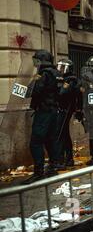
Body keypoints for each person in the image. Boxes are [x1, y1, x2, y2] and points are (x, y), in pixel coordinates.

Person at [22, 50, 61, 184]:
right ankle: (53, 168)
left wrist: (22, 89)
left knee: (36, 142)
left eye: (36, 60)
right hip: (54, 111)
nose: (34, 62)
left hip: (44, 111)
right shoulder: (56, 73)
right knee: (50, 140)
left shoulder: (43, 74)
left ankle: (38, 172)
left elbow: (33, 91)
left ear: (40, 61)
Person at [55, 59, 82, 169]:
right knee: (63, 134)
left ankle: (62, 159)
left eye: (63, 67)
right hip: (58, 109)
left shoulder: (71, 80)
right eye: (60, 67)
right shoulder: (59, 79)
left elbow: (62, 93)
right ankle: (67, 158)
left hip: (65, 110)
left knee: (60, 133)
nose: (61, 70)